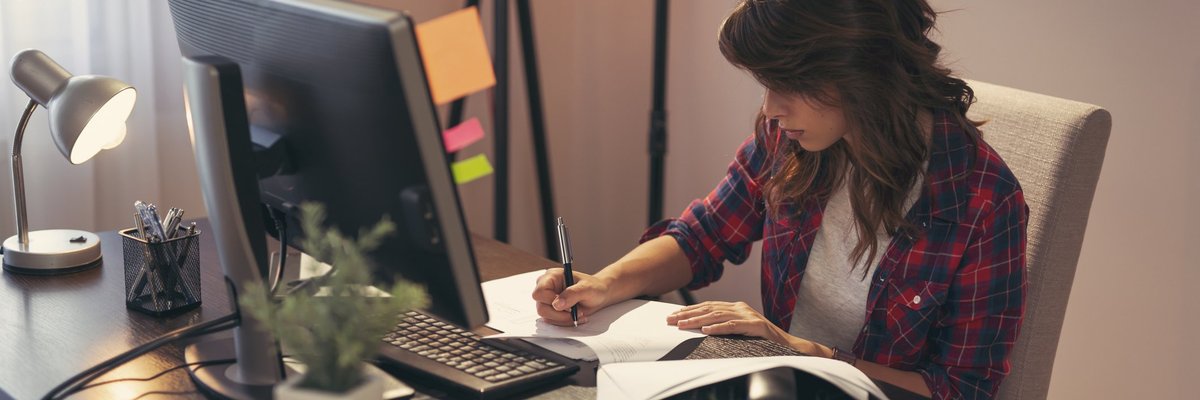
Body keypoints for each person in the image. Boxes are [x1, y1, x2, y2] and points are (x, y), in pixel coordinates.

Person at [532, 0, 1028, 398]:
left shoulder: (982, 202)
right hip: (774, 377)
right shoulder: (794, 140)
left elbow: (960, 389)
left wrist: (800, 351)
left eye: (788, 85)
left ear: (863, 73)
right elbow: (702, 237)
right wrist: (601, 284)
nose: (770, 107)